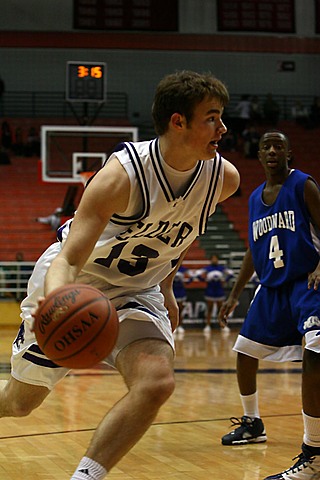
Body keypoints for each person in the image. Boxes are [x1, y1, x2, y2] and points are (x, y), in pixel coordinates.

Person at [0, 70, 240, 480]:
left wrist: (166, 288)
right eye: (212, 118)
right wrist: (57, 300)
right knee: (20, 404)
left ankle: (86, 477)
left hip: (137, 290)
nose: (223, 127)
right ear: (177, 121)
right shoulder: (121, 176)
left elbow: (178, 233)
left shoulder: (223, 179)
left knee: (157, 382)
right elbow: (69, 258)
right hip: (77, 285)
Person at [218, 130, 320, 480]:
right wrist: (235, 292)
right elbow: (253, 248)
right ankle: (252, 423)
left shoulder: (303, 185)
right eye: (267, 146)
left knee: (316, 351)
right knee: (245, 350)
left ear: (289, 152)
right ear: (258, 155)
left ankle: (314, 451)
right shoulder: (254, 199)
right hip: (272, 286)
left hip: (307, 280)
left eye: (279, 145)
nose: (273, 150)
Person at [197, 254, 234, 334]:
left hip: (219, 291)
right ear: (210, 260)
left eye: (216, 259)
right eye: (213, 259)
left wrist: (225, 280)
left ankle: (223, 325)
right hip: (210, 291)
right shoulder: (207, 268)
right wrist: (204, 280)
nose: (214, 260)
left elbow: (231, 274)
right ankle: (207, 325)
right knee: (209, 309)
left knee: (221, 309)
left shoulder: (221, 268)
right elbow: (198, 275)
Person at [172, 265, 190, 334]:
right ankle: (172, 326)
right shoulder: (171, 267)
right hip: (172, 291)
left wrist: (186, 282)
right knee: (171, 310)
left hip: (181, 292)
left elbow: (192, 277)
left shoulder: (184, 269)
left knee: (180, 310)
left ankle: (180, 325)